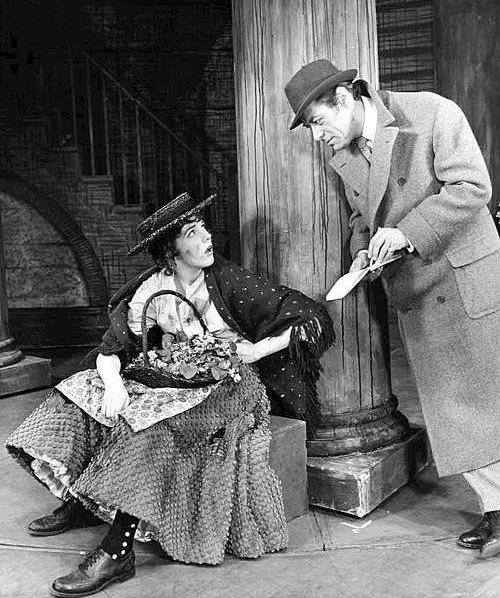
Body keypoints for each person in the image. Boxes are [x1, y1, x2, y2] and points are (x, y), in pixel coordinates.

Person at [6, 192, 334, 597]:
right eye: (193, 234)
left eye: (204, 229)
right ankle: (83, 500)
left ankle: (117, 551)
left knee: (147, 428)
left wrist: (257, 349)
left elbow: (310, 316)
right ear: (170, 252)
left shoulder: (229, 280)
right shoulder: (151, 290)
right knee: (75, 394)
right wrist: (112, 386)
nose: (207, 239)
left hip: (229, 384)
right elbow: (112, 350)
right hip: (174, 377)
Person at [284, 59, 500, 559]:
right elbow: (366, 216)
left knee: (485, 403)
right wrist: (365, 251)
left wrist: (406, 232)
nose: (318, 137)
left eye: (317, 122)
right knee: (456, 411)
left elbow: (472, 188)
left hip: (465, 281)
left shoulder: (431, 114)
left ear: (342, 98)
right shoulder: (345, 157)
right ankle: (496, 507)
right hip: (418, 290)